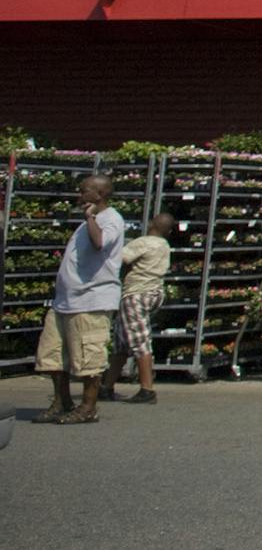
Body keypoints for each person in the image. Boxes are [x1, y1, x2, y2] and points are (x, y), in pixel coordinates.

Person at [36, 174, 127, 424]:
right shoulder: (87, 221)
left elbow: (100, 244)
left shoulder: (111, 219)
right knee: (53, 355)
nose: (79, 194)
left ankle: (88, 407)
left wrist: (90, 217)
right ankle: (62, 402)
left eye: (84, 190)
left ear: (100, 195)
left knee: (89, 358)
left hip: (91, 300)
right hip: (65, 300)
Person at [105, 211, 174, 405]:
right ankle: (107, 386)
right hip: (154, 292)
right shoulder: (164, 245)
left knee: (139, 340)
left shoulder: (143, 242)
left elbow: (121, 259)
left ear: (152, 223)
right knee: (122, 341)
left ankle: (147, 389)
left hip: (135, 294)